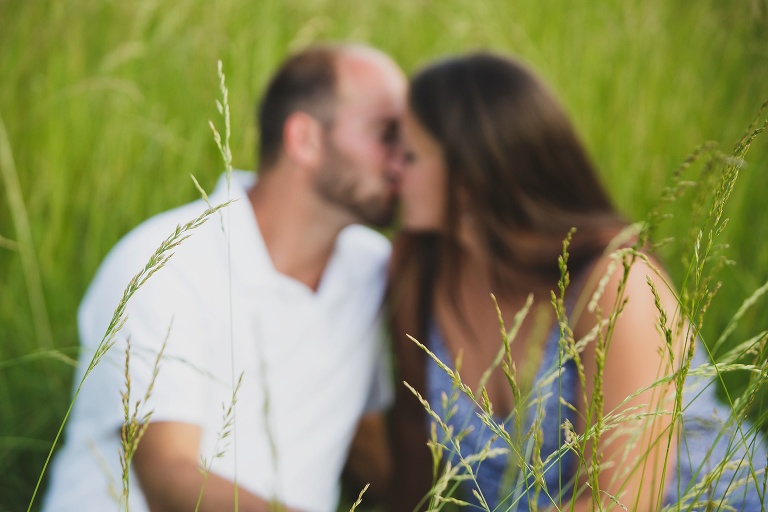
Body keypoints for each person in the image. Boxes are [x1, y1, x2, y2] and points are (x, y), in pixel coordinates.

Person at [386, 51, 767, 511]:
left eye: (409, 155)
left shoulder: (613, 281)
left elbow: (622, 502)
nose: (392, 169)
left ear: (470, 176)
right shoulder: (419, 269)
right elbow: (410, 454)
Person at [42, 43, 405, 512]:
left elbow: (365, 438)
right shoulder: (165, 264)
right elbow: (169, 479)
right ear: (306, 140)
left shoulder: (370, 268)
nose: (404, 157)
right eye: (386, 133)